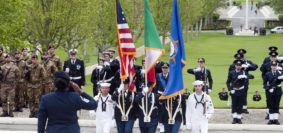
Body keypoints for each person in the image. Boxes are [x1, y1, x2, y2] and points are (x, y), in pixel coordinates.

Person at [226, 60, 254, 124]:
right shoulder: (231, 72)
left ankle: (239, 118)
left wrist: (245, 76)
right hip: (234, 90)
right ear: (235, 66)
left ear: (241, 66)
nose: (238, 66)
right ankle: (234, 118)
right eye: (237, 65)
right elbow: (228, 82)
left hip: (241, 90)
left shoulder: (243, 72)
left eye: (239, 65)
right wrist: (230, 89)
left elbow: (252, 76)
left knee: (240, 104)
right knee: (234, 105)